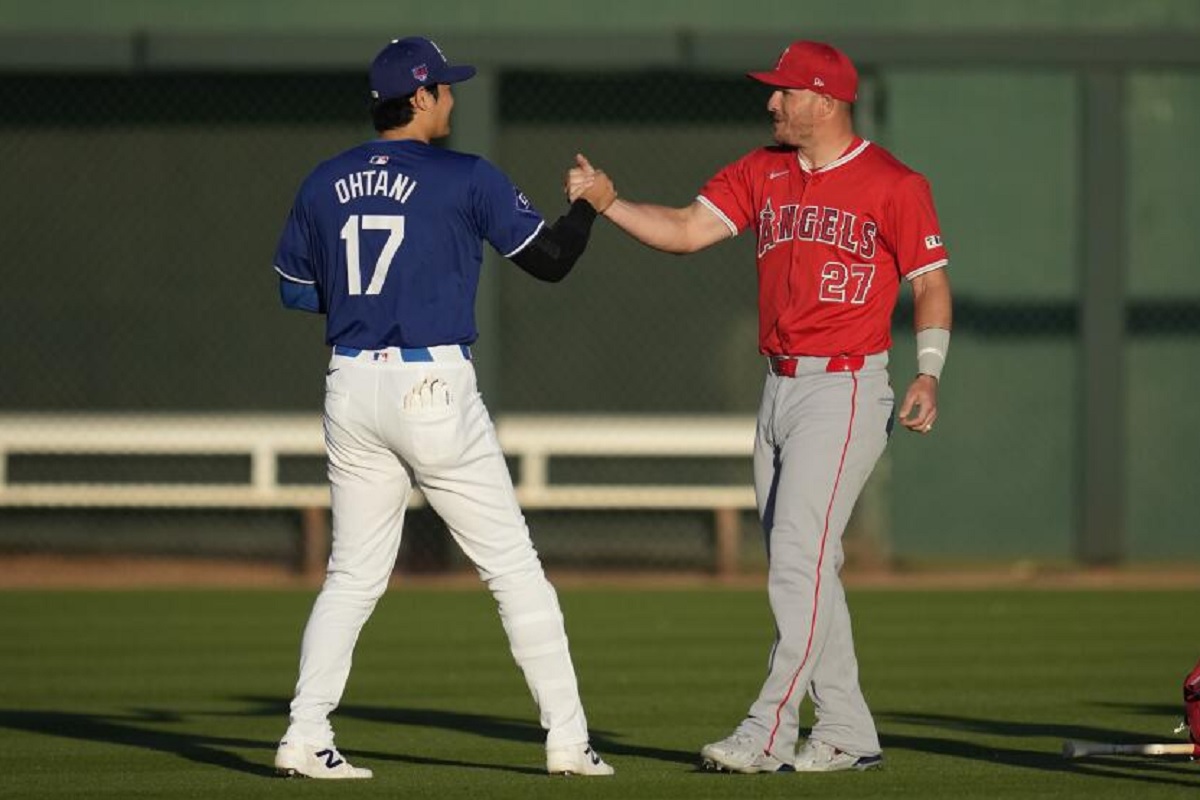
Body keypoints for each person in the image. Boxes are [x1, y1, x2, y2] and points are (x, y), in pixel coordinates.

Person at [569, 39, 952, 774]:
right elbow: (685, 232)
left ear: (827, 100)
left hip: (843, 386)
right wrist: (609, 202)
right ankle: (844, 728)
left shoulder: (893, 183)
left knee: (794, 563)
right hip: (778, 387)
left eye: (785, 91)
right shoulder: (762, 170)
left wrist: (928, 372)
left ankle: (767, 731)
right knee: (807, 564)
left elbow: (930, 282)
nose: (770, 102)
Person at [270, 36, 614, 779]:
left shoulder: (324, 180)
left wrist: (369, 296)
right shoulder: (466, 176)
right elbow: (550, 262)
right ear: (420, 98)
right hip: (431, 386)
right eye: (446, 89)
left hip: (352, 384)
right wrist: (586, 209)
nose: (453, 98)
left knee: (352, 578)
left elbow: (293, 289)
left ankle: (303, 734)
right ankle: (567, 741)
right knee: (514, 570)